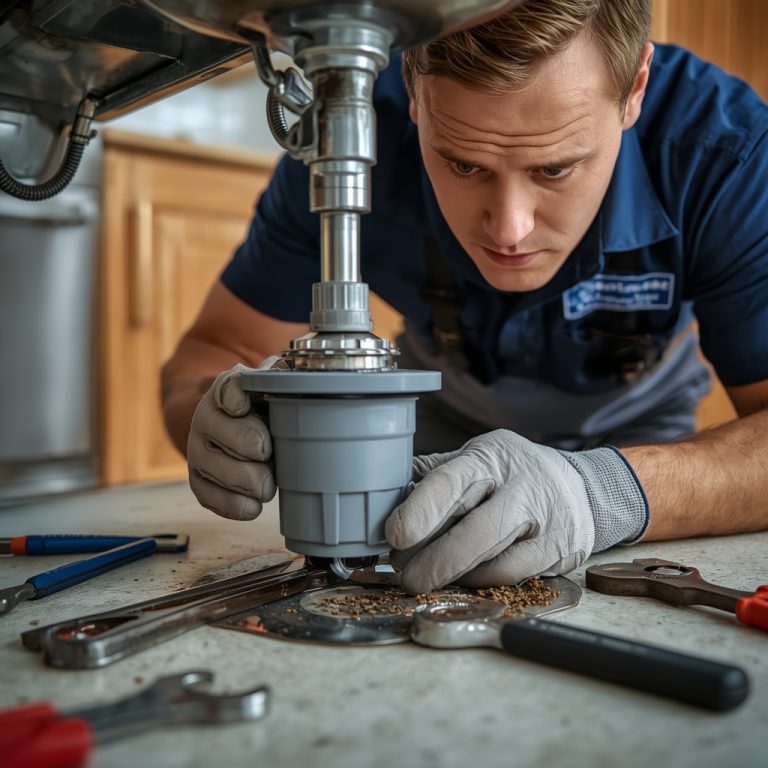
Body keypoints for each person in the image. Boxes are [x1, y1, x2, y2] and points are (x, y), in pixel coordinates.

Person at [161, 0, 768, 594]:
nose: (510, 230)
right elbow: (216, 351)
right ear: (413, 88)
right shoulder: (346, 135)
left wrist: (603, 492)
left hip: (641, 436)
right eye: (464, 165)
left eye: (554, 169)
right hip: (436, 434)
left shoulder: (727, 152)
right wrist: (219, 422)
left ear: (634, 88)